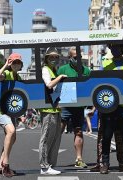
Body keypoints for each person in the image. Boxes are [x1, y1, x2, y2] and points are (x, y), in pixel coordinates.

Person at [99, 44, 123, 174]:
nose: (114, 50)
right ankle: (105, 164)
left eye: (117, 48)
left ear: (122, 49)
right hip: (109, 104)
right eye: (112, 48)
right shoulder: (105, 62)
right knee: (107, 136)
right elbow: (100, 81)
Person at [57, 47, 90, 168]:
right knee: (58, 132)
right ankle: (50, 158)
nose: (78, 60)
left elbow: (89, 87)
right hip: (65, 104)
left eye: (80, 57)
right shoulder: (62, 69)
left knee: (79, 131)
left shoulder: (86, 70)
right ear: (70, 58)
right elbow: (56, 87)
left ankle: (79, 159)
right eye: (76, 58)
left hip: (79, 105)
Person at [0, 52, 24, 177]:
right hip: (0, 109)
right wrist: (5, 65)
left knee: (12, 137)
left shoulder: (19, 78)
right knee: (11, 131)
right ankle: (6, 164)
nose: (16, 64)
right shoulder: (7, 73)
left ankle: (0, 166)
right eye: (13, 62)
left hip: (12, 111)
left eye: (18, 62)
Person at [39, 47, 67, 175]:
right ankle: (44, 167)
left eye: (56, 57)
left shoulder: (53, 70)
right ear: (46, 58)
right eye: (51, 57)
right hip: (48, 109)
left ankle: (50, 165)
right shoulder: (45, 69)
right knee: (46, 138)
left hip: (55, 108)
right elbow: (49, 85)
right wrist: (60, 77)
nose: (54, 59)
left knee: (55, 138)